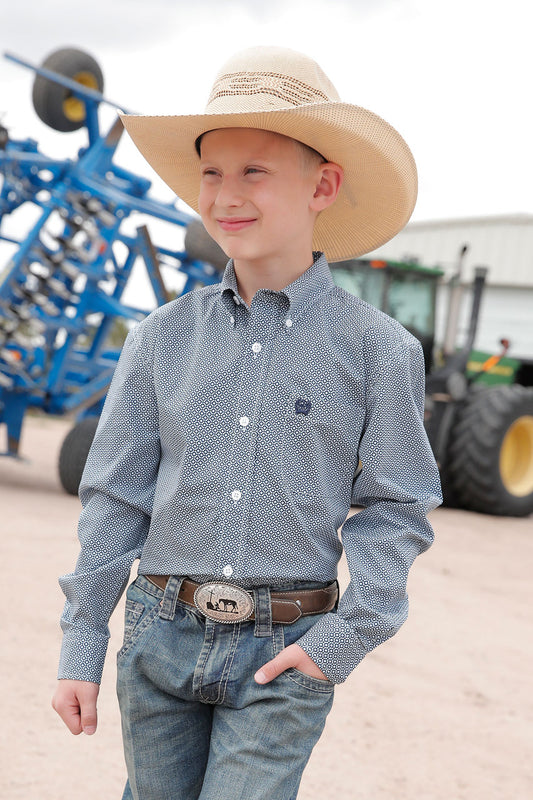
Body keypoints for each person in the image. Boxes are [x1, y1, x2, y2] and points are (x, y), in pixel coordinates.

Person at [52, 46, 442, 800]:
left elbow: (397, 509)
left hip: (286, 648)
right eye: (212, 172)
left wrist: (340, 640)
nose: (225, 195)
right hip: (157, 634)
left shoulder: (378, 352)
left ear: (322, 184)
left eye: (253, 171)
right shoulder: (159, 338)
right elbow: (115, 498)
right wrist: (82, 641)